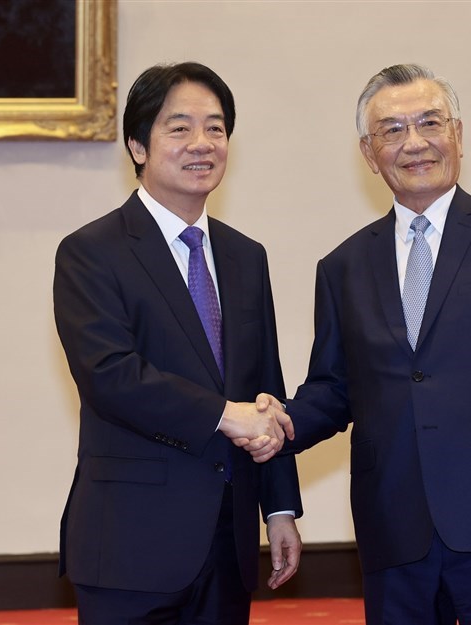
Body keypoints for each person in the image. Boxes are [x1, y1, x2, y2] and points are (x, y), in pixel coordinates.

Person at [251, 63, 471, 624]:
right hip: (394, 526)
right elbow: (335, 389)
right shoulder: (343, 266)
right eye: (392, 130)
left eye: (429, 122)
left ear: (457, 134)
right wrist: (279, 421)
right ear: (368, 150)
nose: (414, 143)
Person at [53, 62, 301, 625]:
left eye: (216, 128)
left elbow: (267, 386)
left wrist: (280, 508)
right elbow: (110, 374)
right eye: (179, 127)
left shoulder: (245, 256)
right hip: (129, 546)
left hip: (227, 545)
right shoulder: (91, 252)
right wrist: (224, 416)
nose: (202, 144)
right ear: (138, 146)